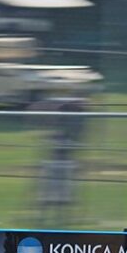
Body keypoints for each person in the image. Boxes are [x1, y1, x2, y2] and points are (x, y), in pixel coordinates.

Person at [28, 77, 94, 225]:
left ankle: (54, 217)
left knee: (59, 188)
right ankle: (46, 216)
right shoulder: (70, 109)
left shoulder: (76, 111)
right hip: (58, 152)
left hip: (64, 153)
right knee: (52, 187)